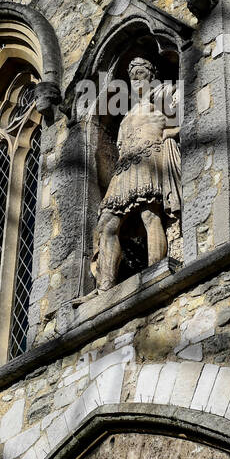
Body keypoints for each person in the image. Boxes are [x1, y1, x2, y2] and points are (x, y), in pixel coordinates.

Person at [92, 57, 180, 291]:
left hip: (149, 157)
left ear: (151, 75)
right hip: (124, 166)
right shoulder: (127, 113)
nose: (135, 79)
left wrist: (169, 136)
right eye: (132, 76)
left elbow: (183, 118)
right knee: (107, 222)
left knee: (149, 215)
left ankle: (155, 269)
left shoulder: (164, 93)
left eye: (141, 73)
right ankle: (105, 286)